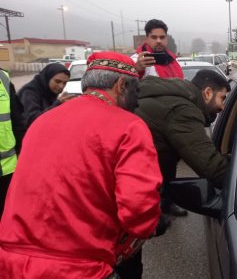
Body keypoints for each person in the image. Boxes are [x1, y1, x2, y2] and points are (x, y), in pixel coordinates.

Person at [0, 52, 163, 279]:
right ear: (121, 85)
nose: (137, 101)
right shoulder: (129, 127)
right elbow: (138, 208)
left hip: (12, 264)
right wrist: (151, 225)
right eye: (137, 91)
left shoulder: (43, 121)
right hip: (77, 268)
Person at [135, 69, 230, 215]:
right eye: (222, 98)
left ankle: (165, 206)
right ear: (208, 92)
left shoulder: (177, 95)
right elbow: (209, 165)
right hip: (133, 181)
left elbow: (165, 154)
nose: (223, 106)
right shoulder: (183, 111)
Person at [0, 68, 26, 217]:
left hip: (8, 166)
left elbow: (16, 118)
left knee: (6, 214)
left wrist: (22, 151)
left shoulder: (3, 77)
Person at [17, 62, 73, 127]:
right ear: (47, 77)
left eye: (64, 83)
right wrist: (58, 104)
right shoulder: (29, 92)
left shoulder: (49, 91)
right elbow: (33, 119)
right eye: (57, 81)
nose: (61, 86)